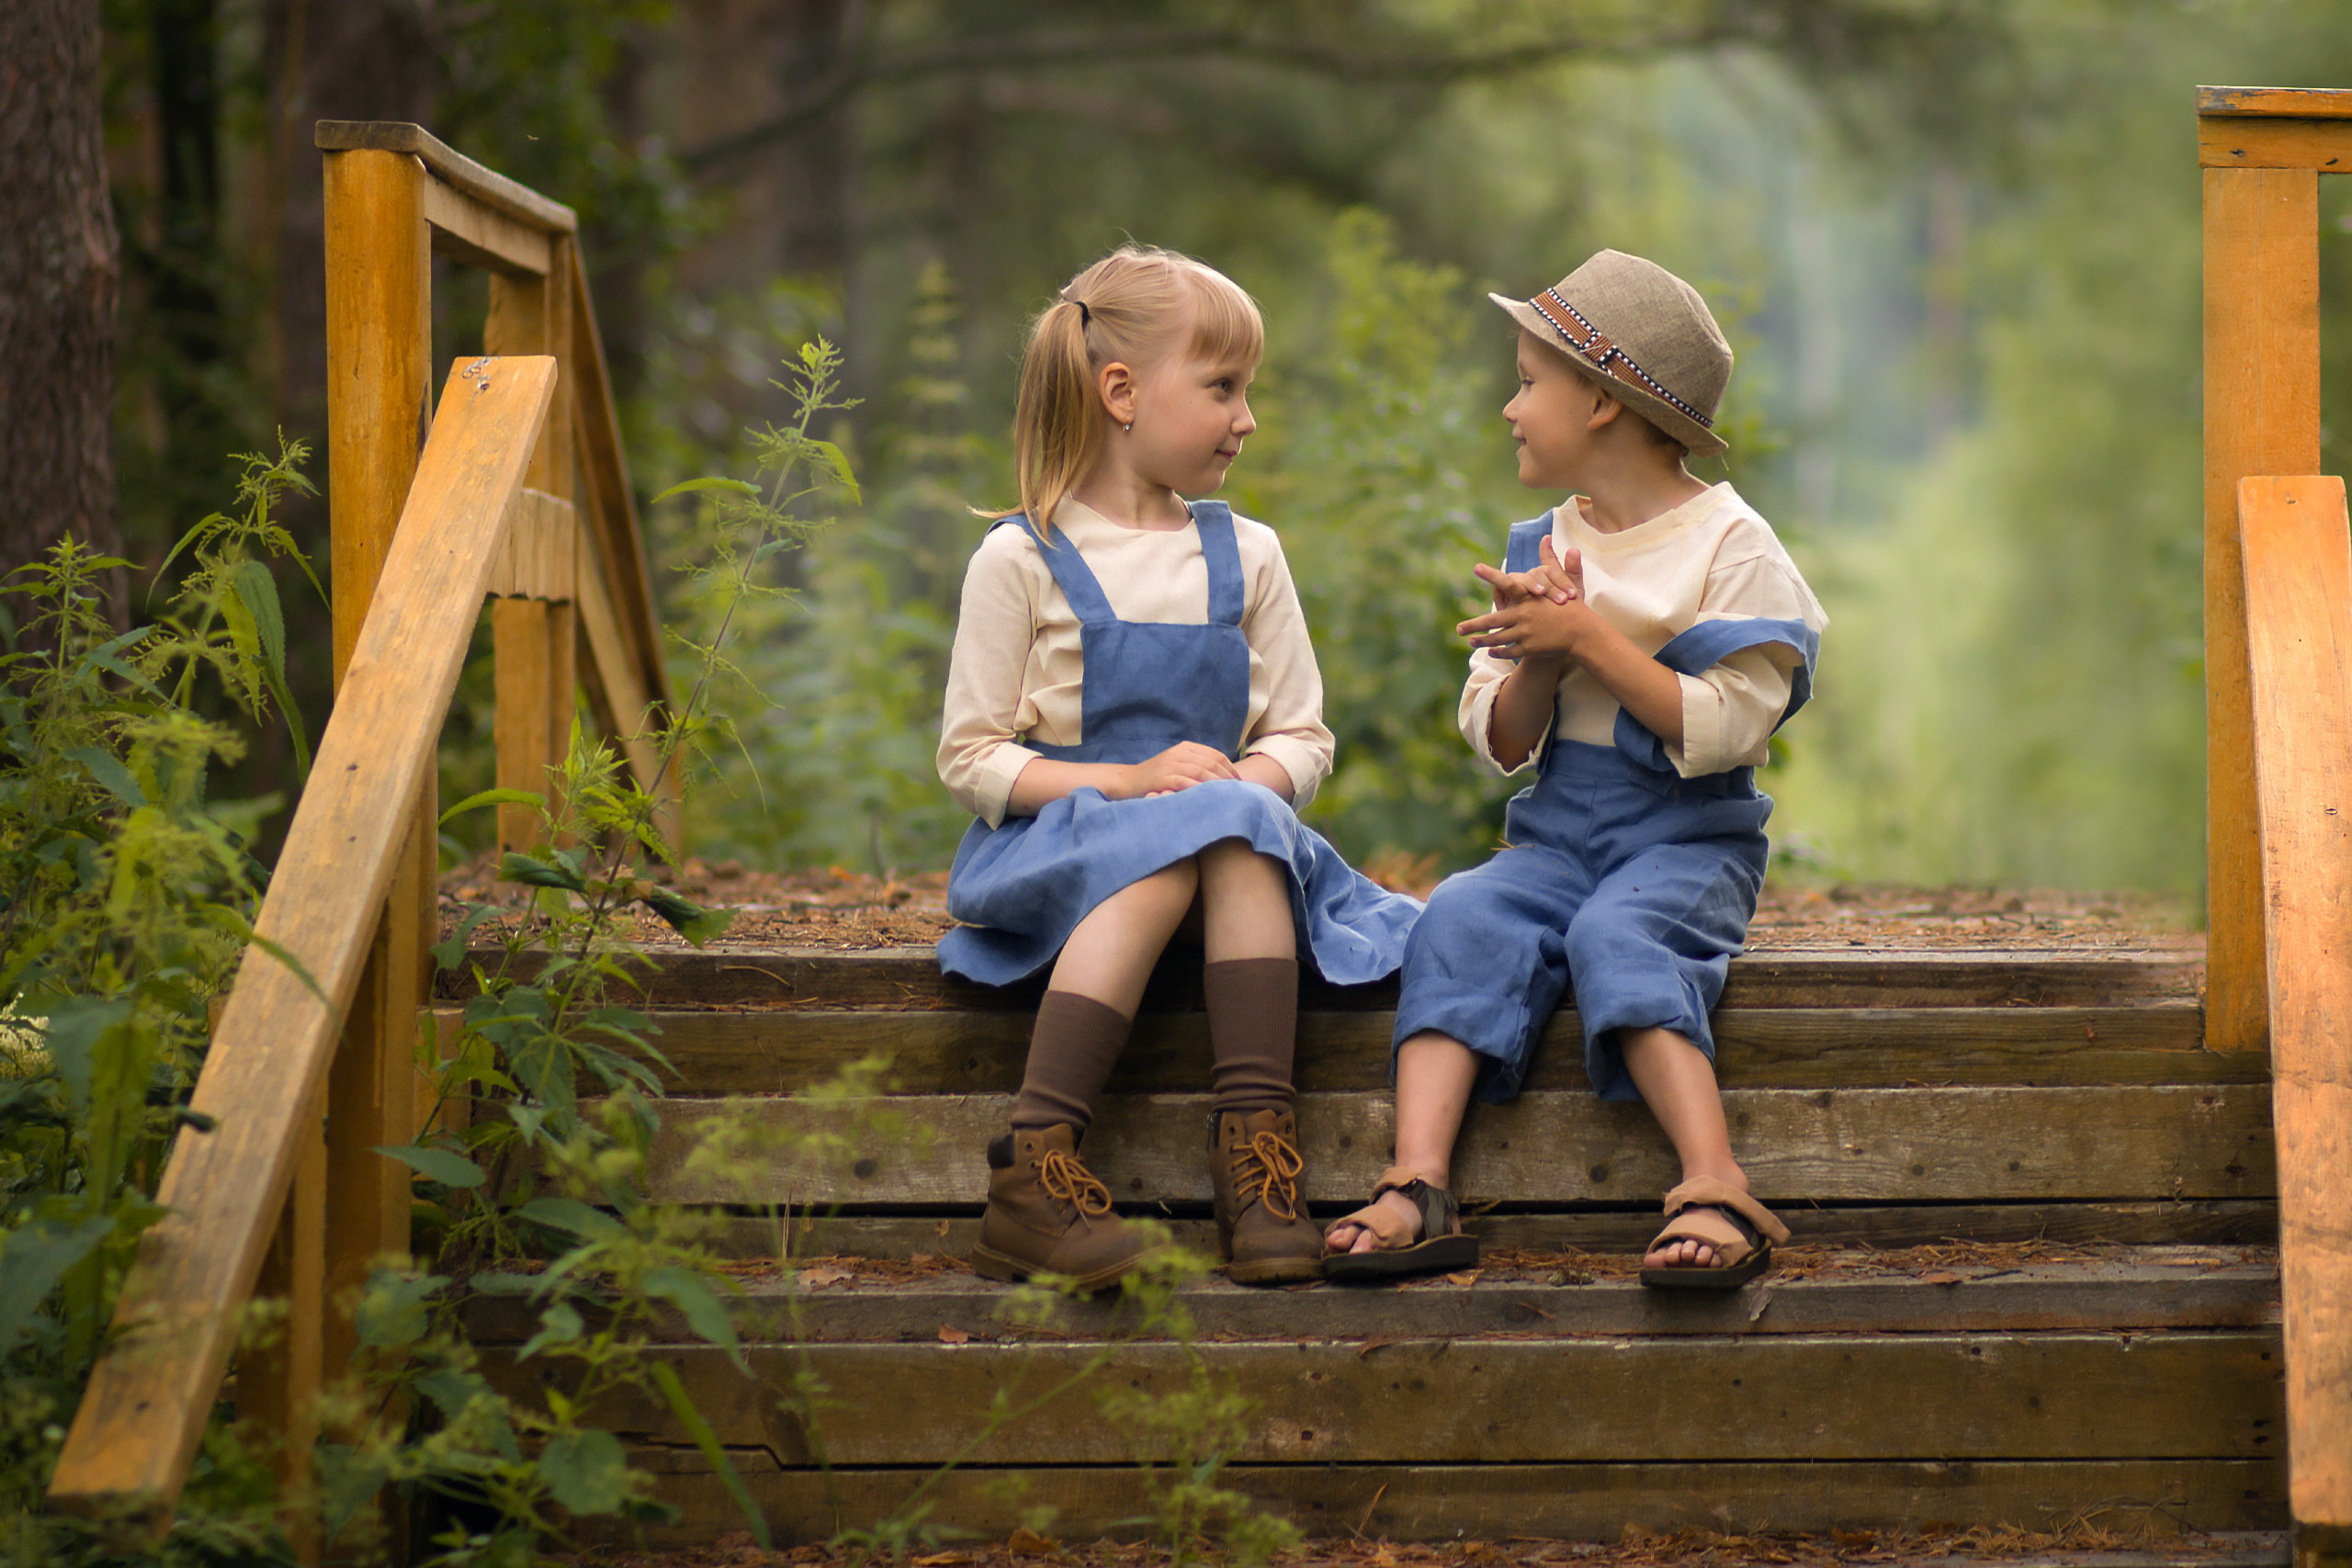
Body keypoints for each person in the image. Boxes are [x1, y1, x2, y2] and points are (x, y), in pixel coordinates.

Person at [1322, 250, 1826, 1289]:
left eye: (1526, 380)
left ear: (1600, 400)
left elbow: (1728, 727)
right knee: (1458, 914)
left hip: (1685, 839)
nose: (1509, 407)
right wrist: (1542, 659)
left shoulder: (1730, 546)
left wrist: (1589, 639)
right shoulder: (1542, 543)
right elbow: (1502, 741)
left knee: (1615, 934)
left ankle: (1713, 1181)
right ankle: (1418, 1177)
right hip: (1557, 834)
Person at [937, 244, 1421, 1292]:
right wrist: (1121, 784)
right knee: (1165, 847)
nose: (1245, 418)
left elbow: (1302, 732)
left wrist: (1250, 787)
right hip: (1069, 852)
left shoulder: (1248, 553)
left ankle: (1256, 1160)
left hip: (1225, 851)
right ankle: (1036, 1161)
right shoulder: (1020, 559)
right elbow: (972, 757)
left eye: (1246, 390)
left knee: (1233, 833)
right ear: (1121, 392)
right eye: (1222, 388)